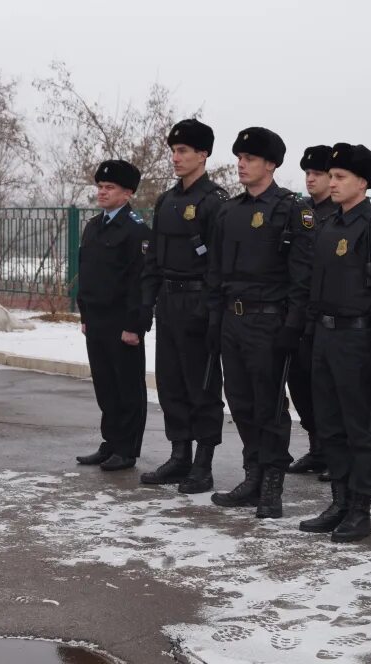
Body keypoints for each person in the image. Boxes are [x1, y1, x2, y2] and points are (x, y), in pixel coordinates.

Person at [299, 143, 371, 542]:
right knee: (329, 425)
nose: (331, 183)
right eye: (330, 176)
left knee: (361, 428)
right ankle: (339, 501)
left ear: (363, 182)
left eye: (340, 177)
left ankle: (360, 510)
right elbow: (317, 287)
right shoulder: (330, 226)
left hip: (359, 340)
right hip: (326, 338)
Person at [206, 127, 316, 518]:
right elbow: (216, 271)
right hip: (233, 322)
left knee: (269, 405)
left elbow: (303, 276)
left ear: (271, 164)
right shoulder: (229, 211)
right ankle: (252, 473)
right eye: (239, 157)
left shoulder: (291, 209)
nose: (241, 164)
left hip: (270, 322)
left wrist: (293, 325)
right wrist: (216, 318)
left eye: (250, 158)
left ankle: (272, 481)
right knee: (241, 402)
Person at [139, 119, 230, 494]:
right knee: (171, 383)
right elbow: (154, 260)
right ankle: (179, 455)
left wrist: (212, 311)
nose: (175, 158)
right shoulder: (167, 200)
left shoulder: (215, 202)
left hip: (200, 301)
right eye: (173, 151)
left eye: (183, 151)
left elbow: (221, 264)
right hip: (169, 301)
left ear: (203, 154)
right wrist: (147, 304)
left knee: (203, 384)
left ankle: (203, 463)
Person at [75, 160, 152, 471]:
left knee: (127, 387)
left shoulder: (136, 230)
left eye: (110, 188)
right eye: (100, 187)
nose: (102, 192)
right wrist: (84, 314)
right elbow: (87, 271)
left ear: (127, 193)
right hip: (96, 319)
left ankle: (127, 448)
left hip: (122, 322)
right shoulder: (94, 226)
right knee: (105, 386)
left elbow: (140, 281)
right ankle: (110, 443)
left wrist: (135, 324)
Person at [286, 144, 337, 477]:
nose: (311, 179)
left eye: (317, 173)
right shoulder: (299, 211)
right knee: (299, 384)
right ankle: (316, 447)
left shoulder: (339, 214)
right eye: (308, 173)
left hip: (329, 313)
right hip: (298, 311)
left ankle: (335, 453)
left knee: (327, 388)